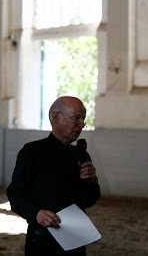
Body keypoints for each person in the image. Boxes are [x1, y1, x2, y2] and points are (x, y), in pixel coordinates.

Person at [6, 96, 101, 256]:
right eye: (76, 118)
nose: (81, 124)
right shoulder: (31, 152)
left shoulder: (81, 155)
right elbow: (15, 195)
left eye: (83, 119)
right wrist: (36, 213)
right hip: (42, 241)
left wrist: (92, 180)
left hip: (76, 242)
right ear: (56, 117)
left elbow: (91, 200)